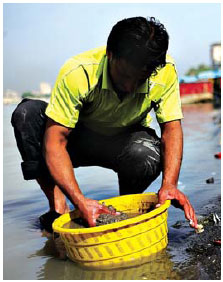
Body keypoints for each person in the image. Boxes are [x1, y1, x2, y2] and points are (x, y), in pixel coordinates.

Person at [11, 16, 198, 232]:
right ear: (110, 54)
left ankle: (126, 208)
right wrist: (79, 200)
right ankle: (58, 208)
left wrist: (170, 185)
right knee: (27, 114)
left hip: (125, 140)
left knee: (147, 154)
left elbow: (172, 128)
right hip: (77, 139)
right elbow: (54, 143)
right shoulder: (79, 72)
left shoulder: (164, 72)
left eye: (139, 79)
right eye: (125, 75)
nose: (129, 86)